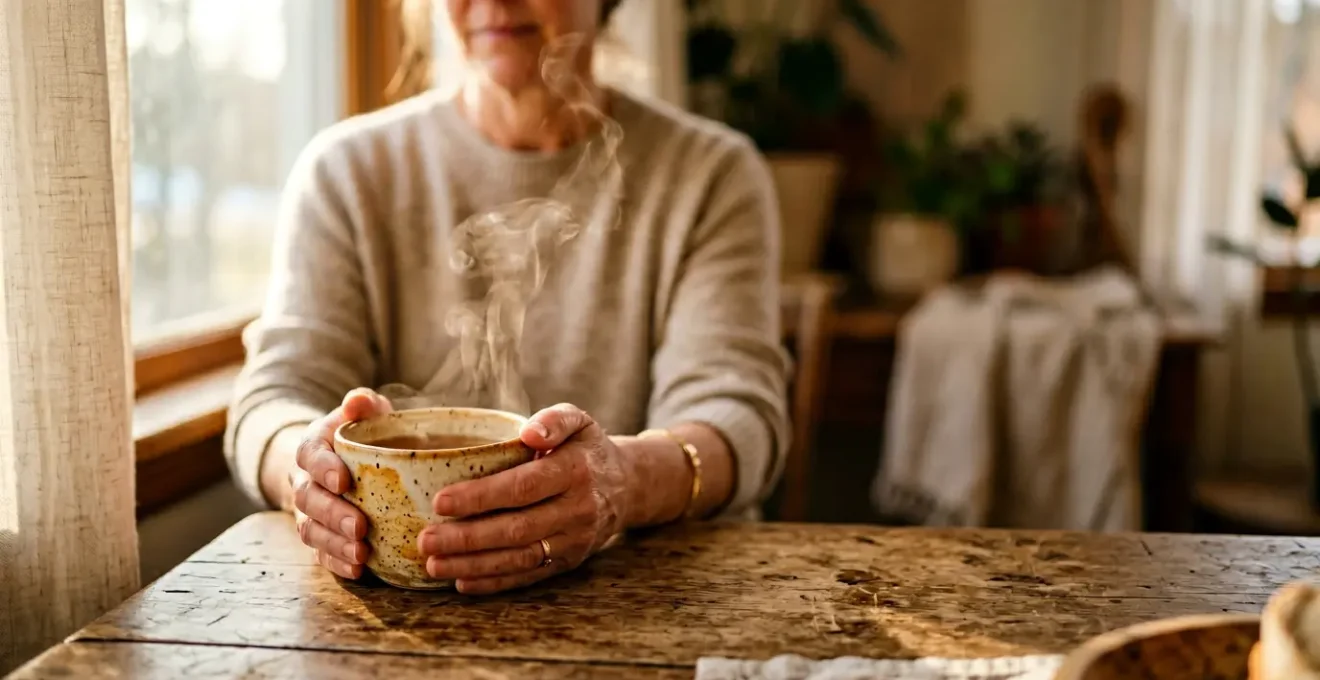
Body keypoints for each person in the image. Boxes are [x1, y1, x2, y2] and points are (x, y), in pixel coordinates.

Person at [224, 0, 789, 595]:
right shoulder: (346, 171)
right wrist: (307, 473)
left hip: (659, 594)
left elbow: (738, 412)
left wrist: (625, 482)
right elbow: (275, 397)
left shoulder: (711, 173)